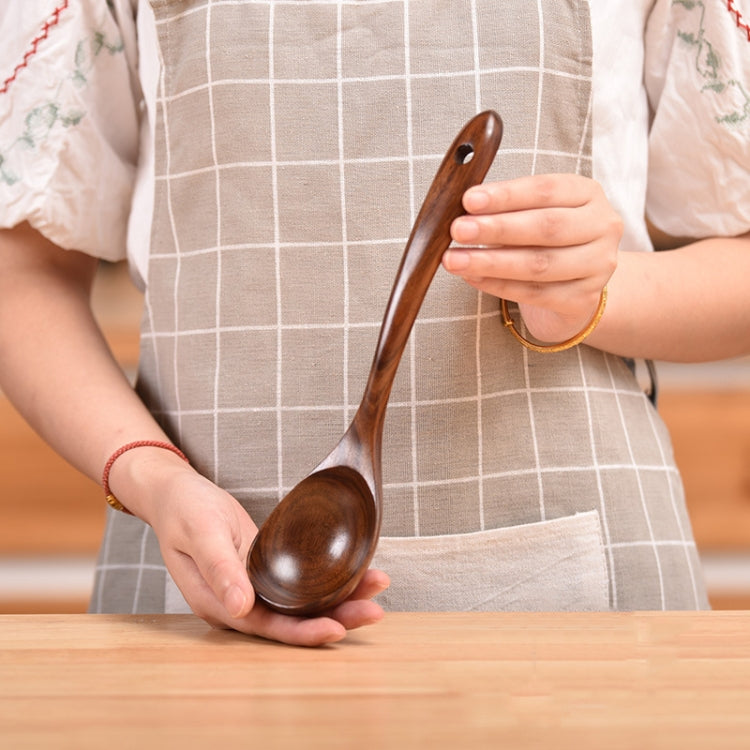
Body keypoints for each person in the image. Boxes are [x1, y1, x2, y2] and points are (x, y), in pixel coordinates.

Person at [1, 1, 748, 646]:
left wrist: (599, 293)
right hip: (200, 581)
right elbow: (22, 274)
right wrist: (152, 477)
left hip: (588, 616)